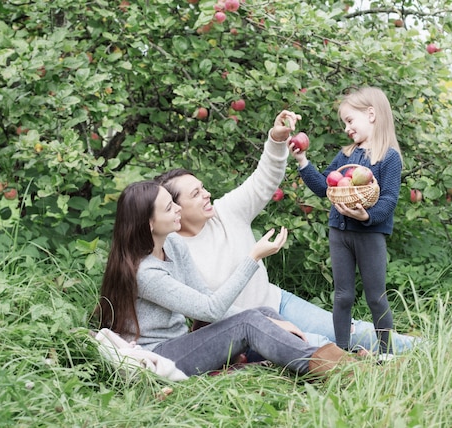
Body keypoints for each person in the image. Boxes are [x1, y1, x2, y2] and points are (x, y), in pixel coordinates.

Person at [156, 109, 417, 355]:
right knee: (322, 346)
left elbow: (264, 179)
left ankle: (428, 348)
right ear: (175, 209)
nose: (207, 193)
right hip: (243, 332)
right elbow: (208, 310)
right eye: (196, 193)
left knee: (354, 333)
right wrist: (266, 322)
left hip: (278, 302)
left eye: (203, 187)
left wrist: (276, 140)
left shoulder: (226, 212)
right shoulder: (174, 252)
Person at [96, 180, 353, 378]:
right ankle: (341, 371)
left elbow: (206, 297)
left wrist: (267, 319)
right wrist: (252, 258)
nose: (178, 208)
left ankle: (335, 360)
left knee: (262, 313)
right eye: (169, 207)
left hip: (182, 341)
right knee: (250, 321)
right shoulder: (146, 273)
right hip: (162, 354)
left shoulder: (172, 243)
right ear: (150, 224)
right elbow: (211, 309)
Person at [289, 87, 403, 358]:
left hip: (369, 235)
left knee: (376, 297)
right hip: (339, 233)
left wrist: (367, 216)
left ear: (371, 114)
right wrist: (302, 161)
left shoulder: (389, 158)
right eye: (345, 123)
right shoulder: (346, 156)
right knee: (343, 296)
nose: (347, 128)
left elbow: (388, 200)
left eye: (350, 121)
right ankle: (341, 351)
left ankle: (385, 354)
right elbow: (325, 187)